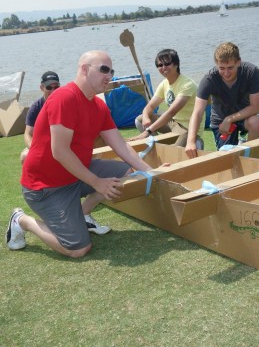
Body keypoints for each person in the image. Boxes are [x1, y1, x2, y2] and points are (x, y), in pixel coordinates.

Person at [6, 50, 159, 258]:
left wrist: (152, 172)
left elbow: (121, 147)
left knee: (131, 172)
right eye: (104, 69)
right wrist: (96, 182)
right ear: (84, 69)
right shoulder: (64, 97)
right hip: (46, 187)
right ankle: (21, 220)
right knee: (78, 248)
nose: (109, 76)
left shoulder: (98, 106)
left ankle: (83, 213)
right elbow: (59, 151)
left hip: (77, 174)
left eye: (111, 71)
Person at [185, 42, 259, 158]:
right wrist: (190, 141)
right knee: (228, 159)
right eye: (221, 68)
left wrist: (230, 119)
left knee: (256, 123)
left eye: (230, 68)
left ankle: (253, 162)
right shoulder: (209, 79)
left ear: (238, 62)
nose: (226, 73)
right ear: (216, 64)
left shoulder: (251, 72)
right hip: (220, 121)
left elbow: (255, 107)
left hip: (244, 116)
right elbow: (197, 112)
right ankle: (240, 144)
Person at [131, 48, 204, 148]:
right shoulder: (164, 84)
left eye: (167, 64)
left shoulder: (187, 84)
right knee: (139, 120)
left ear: (176, 64)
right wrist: (145, 116)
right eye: (160, 65)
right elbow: (150, 106)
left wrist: (148, 131)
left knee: (175, 152)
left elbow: (171, 112)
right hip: (174, 122)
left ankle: (196, 142)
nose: (163, 67)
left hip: (188, 127)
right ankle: (156, 145)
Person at [20, 71, 60, 164]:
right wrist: (36, 149)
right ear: (42, 88)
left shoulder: (66, 104)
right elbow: (28, 134)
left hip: (62, 143)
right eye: (49, 87)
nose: (53, 91)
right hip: (41, 144)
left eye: (56, 87)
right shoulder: (36, 107)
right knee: (25, 156)